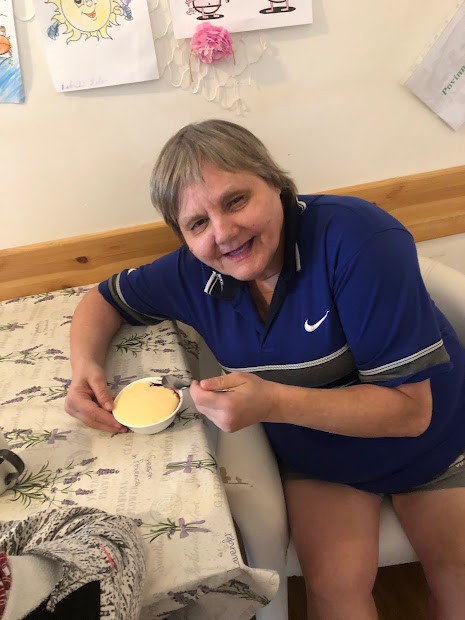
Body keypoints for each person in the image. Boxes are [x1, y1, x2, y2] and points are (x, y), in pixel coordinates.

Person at [65, 119, 465, 619]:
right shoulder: (191, 273)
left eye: (235, 201)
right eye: (197, 223)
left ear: (275, 183)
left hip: (433, 439)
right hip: (322, 457)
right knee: (333, 591)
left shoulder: (358, 238)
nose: (223, 232)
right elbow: (104, 299)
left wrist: (271, 401)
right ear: (184, 237)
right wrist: (84, 369)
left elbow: (410, 413)